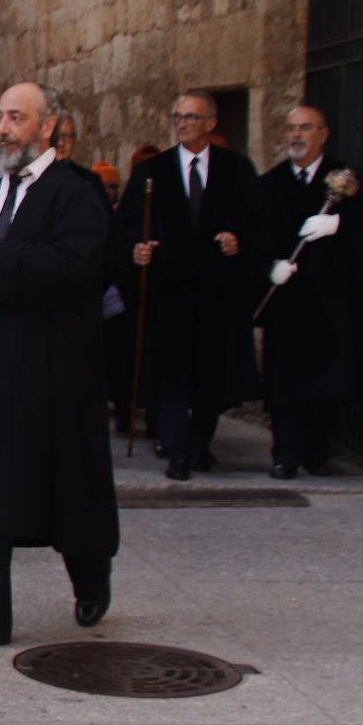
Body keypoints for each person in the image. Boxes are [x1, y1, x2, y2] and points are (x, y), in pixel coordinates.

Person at [0, 82, 119, 649]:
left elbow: (74, 269)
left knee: (66, 485)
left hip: (51, 369)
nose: (4, 128)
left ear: (49, 126)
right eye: (1, 117)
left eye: (17, 118)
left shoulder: (75, 192)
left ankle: (90, 571)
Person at [114, 88, 258, 480]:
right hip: (168, 291)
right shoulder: (152, 171)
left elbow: (256, 220)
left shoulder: (236, 169)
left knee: (211, 377)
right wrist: (135, 249)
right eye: (177, 116)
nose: (182, 123)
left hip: (216, 293)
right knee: (171, 376)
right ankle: (177, 450)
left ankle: (198, 445)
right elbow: (127, 224)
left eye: (191, 117)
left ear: (211, 123)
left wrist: (238, 240)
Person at [255, 105, 363, 478]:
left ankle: (317, 452)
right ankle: (285, 453)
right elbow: (253, 234)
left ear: (323, 133)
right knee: (285, 383)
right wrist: (269, 267)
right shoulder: (270, 184)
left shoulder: (347, 181)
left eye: (305, 127)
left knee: (327, 380)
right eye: (291, 128)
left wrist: (339, 227)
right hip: (288, 303)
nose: (296, 135)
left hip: (331, 299)